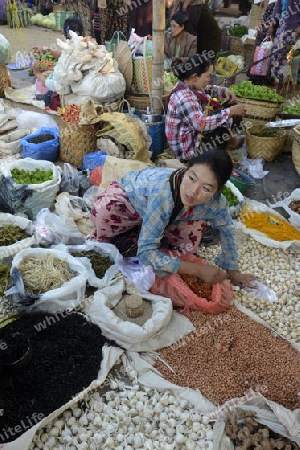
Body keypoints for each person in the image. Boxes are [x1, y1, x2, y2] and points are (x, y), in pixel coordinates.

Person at [90, 148, 254, 287]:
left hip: (161, 213)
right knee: (106, 212)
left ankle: (147, 233)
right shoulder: (164, 193)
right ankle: (138, 233)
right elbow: (146, 255)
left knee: (191, 236)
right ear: (186, 170)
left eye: (206, 188)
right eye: (192, 178)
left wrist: (233, 271)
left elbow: (227, 230)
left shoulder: (216, 204)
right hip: (128, 204)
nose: (192, 192)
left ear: (217, 191)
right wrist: (197, 270)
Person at [165, 53, 246, 162]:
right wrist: (229, 112)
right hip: (187, 151)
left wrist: (224, 91)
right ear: (194, 77)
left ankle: (228, 145)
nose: (209, 79)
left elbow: (208, 89)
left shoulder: (189, 84)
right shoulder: (184, 97)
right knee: (224, 121)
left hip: (191, 136)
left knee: (231, 108)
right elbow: (200, 125)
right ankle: (226, 148)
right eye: (207, 76)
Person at [267, 0, 300, 93]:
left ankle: (281, 86)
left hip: (292, 27)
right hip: (282, 25)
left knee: (278, 55)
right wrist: (272, 26)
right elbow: (278, 7)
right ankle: (283, 84)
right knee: (276, 55)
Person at [248, 0, 277, 85]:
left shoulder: (274, 4)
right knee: (263, 51)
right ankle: (259, 78)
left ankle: (260, 78)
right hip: (268, 29)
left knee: (264, 51)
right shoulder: (273, 5)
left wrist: (269, 29)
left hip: (269, 29)